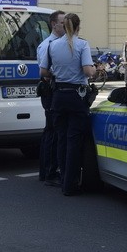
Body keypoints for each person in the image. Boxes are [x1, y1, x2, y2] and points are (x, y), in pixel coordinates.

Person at [43, 13, 95, 196]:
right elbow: (88, 71)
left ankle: (63, 177)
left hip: (58, 96)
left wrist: (58, 73)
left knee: (62, 138)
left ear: (63, 26)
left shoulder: (52, 45)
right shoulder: (82, 44)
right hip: (76, 96)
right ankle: (70, 184)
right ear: (78, 26)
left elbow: (44, 71)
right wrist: (96, 69)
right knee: (74, 140)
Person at [37, 10, 66, 186]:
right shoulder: (47, 45)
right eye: (63, 23)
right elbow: (45, 72)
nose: (65, 26)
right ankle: (48, 171)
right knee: (52, 131)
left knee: (55, 131)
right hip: (50, 90)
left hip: (56, 90)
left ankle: (50, 170)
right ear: (54, 24)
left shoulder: (62, 43)